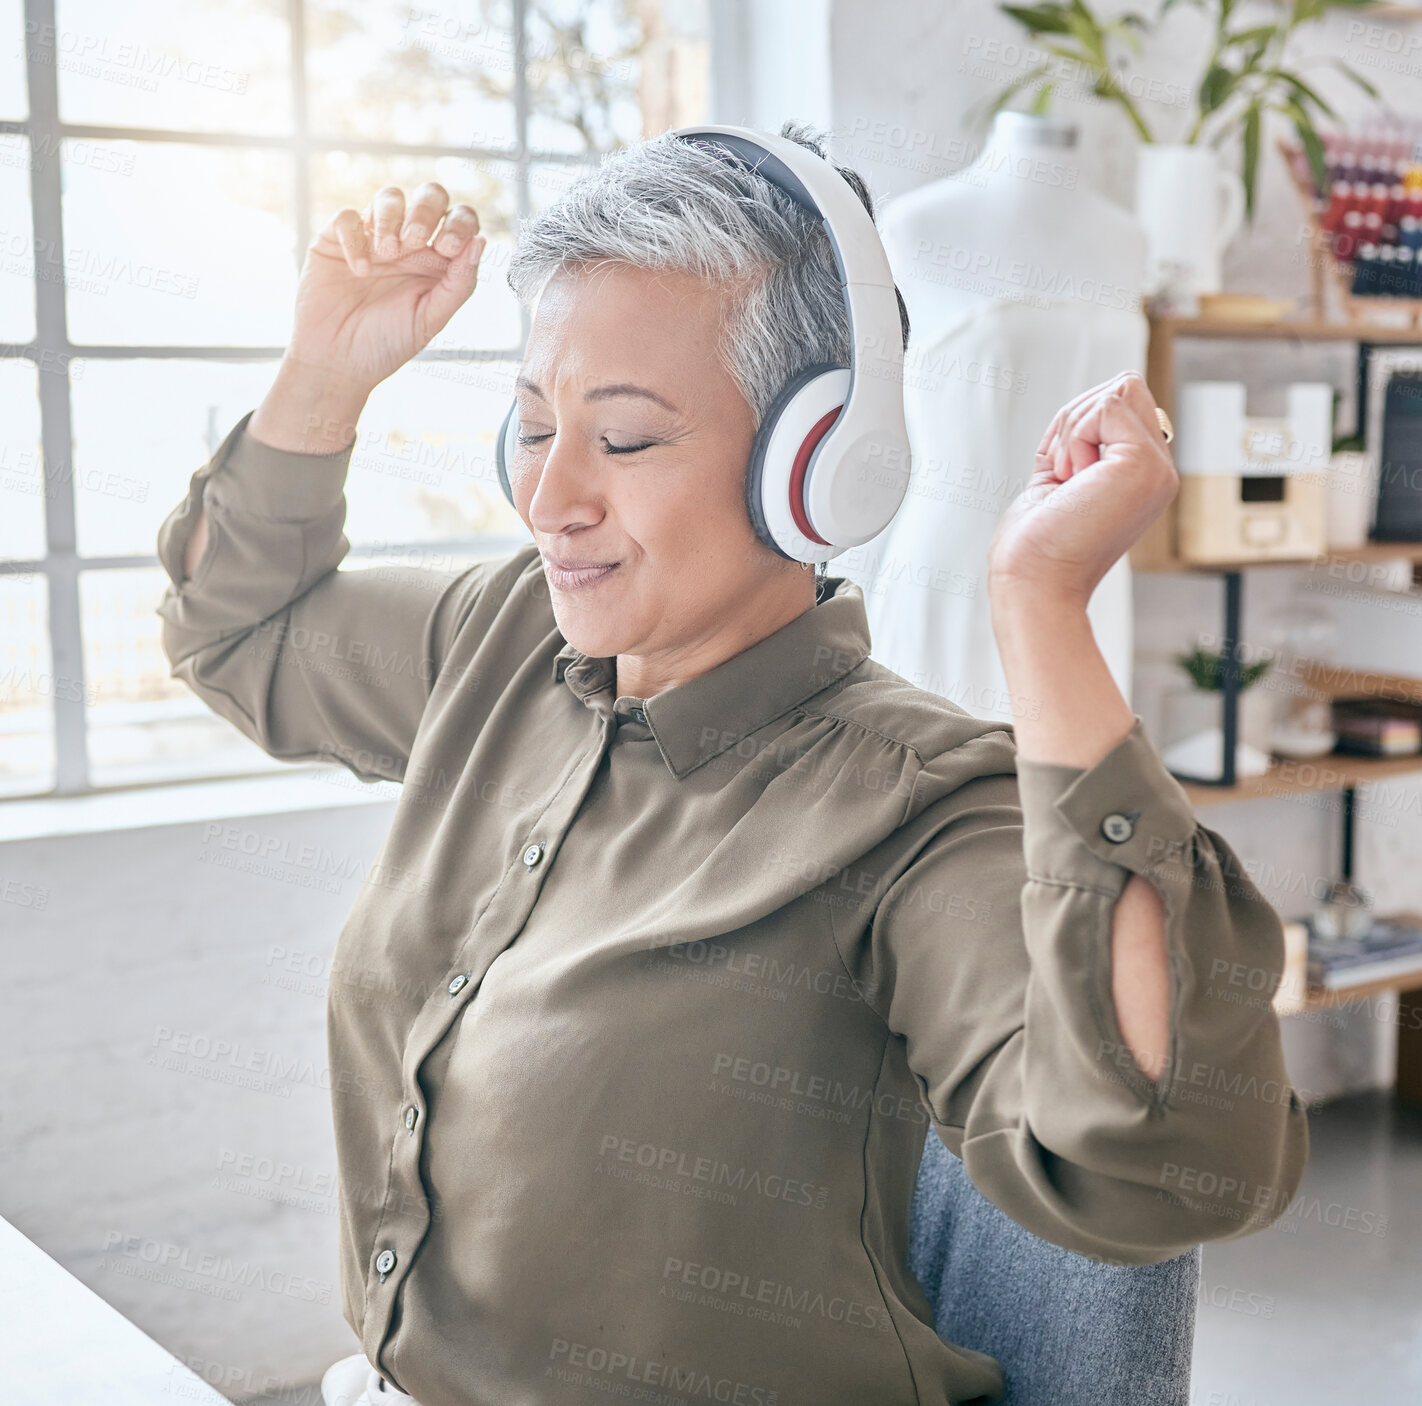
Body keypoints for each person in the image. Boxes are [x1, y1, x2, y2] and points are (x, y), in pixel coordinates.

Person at [154, 121, 1309, 1406]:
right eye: (532, 427)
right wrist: (325, 370)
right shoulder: (502, 640)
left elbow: (1166, 1164)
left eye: (627, 438)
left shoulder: (919, 811)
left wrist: (1040, 602)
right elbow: (238, 630)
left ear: (818, 463)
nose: (551, 497)